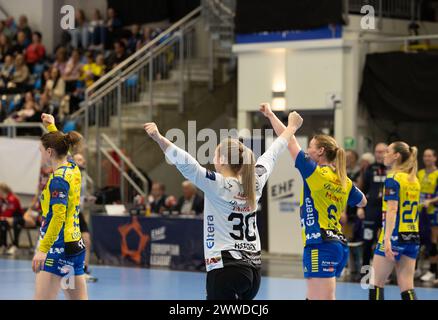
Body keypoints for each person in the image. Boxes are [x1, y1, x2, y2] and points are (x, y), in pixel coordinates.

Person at [144, 108, 301, 300]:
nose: (213, 159)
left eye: (216, 154)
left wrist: (159, 138)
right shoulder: (255, 181)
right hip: (253, 271)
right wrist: (291, 127)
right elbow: (273, 152)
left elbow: (186, 163)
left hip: (226, 267)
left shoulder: (217, 184)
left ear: (223, 160)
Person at [260, 103, 367, 300]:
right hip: (336, 244)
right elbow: (362, 202)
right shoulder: (344, 180)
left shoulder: (315, 172)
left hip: (320, 244)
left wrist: (273, 117)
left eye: (310, 146)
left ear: (321, 151)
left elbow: (289, 141)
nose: (307, 150)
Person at [32, 113, 87, 300]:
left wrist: (42, 249)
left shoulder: (58, 180)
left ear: (49, 152)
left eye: (41, 151)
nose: (40, 155)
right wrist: (52, 128)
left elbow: (58, 217)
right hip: (75, 245)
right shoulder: (73, 167)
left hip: (58, 247)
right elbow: (63, 149)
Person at [370, 142, 421, 300]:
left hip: (395, 235)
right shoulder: (414, 179)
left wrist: (386, 239)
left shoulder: (393, 178)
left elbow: (392, 210)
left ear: (396, 155)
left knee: (376, 282)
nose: (384, 155)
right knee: (407, 284)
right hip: (412, 235)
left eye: (387, 151)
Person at [357, 143, 388, 269]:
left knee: (385, 242)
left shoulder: (393, 168)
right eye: (377, 151)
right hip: (371, 211)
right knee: (367, 241)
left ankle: (384, 272)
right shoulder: (370, 168)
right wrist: (360, 207)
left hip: (387, 211)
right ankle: (366, 271)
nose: (379, 154)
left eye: (382, 151)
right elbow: (363, 188)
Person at [418, 149, 438, 283]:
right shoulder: (419, 173)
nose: (427, 158)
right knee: (417, 240)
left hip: (433, 212)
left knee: (433, 242)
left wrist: (430, 201)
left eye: (430, 156)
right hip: (419, 212)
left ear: (435, 158)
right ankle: (415, 268)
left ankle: (433, 271)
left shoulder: (437, 174)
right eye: (425, 156)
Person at [0, 183, 24, 255]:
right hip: (6, 218)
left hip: (18, 218)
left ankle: (15, 245)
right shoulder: (2, 199)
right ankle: (3, 245)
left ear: (3, 190)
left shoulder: (12, 199)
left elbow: (9, 213)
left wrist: (2, 217)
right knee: (2, 223)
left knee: (15, 222)